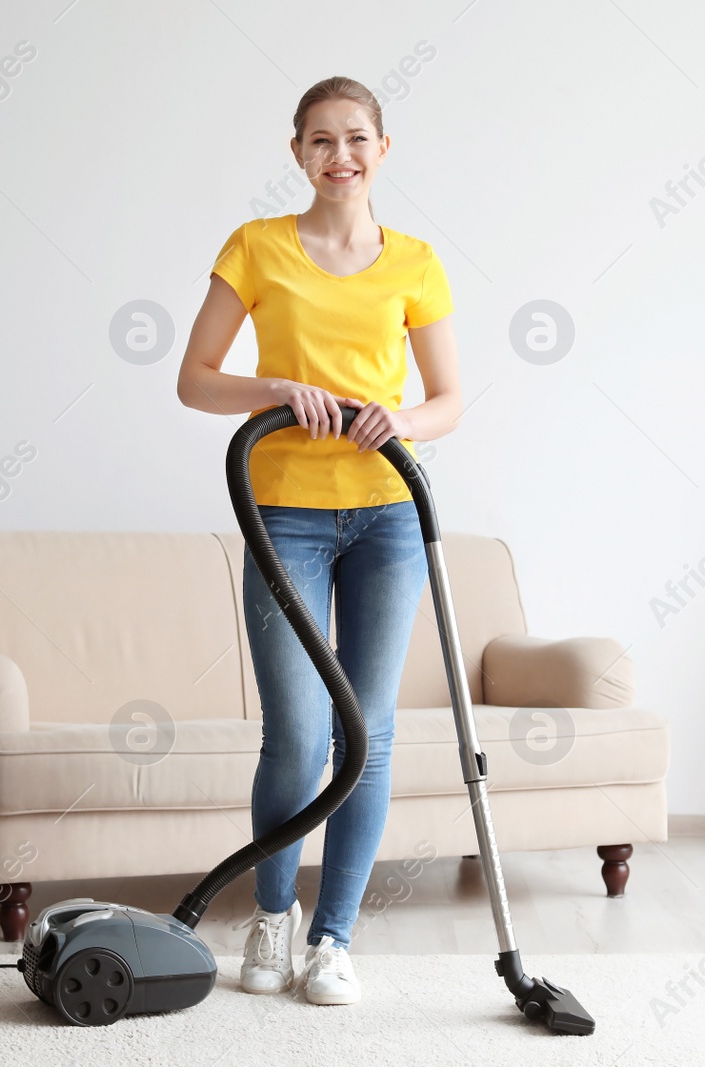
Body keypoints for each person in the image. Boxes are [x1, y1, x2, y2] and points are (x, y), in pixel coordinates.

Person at [176, 76, 461, 1006]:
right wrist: (273, 389)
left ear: (384, 149)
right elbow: (195, 378)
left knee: (366, 735)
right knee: (297, 735)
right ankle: (271, 917)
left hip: (387, 514)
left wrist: (402, 417)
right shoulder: (257, 248)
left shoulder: (416, 261)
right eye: (321, 140)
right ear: (297, 152)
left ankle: (334, 938)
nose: (341, 155)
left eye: (357, 138)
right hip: (285, 512)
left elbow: (451, 401)